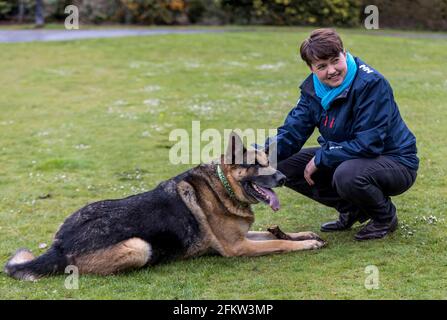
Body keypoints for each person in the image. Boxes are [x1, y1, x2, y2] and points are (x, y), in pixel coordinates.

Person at [266, 28, 418, 240]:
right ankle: (354, 209)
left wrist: (322, 157)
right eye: (321, 66)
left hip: (395, 161)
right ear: (311, 69)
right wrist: (258, 155)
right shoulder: (312, 90)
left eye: (335, 60)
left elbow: (369, 144)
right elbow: (292, 132)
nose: (331, 70)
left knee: (347, 175)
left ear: (344, 54)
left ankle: (384, 217)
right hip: (348, 155)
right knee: (281, 165)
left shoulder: (371, 84)